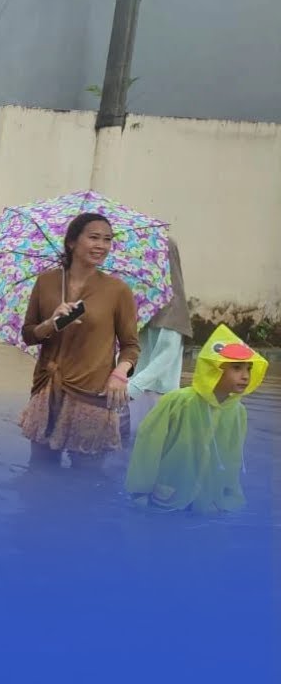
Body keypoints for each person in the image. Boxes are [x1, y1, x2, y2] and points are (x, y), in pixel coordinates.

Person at [19, 212, 140, 465]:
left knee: (87, 477)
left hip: (91, 393)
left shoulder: (117, 290)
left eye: (107, 240)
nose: (101, 246)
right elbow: (29, 335)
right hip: (48, 388)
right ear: (72, 242)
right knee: (40, 472)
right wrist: (49, 324)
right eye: (94, 237)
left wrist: (120, 374)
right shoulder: (47, 282)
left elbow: (130, 346)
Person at [124, 324, 268, 513]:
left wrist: (229, 493)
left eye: (249, 369)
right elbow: (149, 443)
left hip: (208, 499)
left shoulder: (237, 411)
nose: (245, 376)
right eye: (237, 368)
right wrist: (140, 491)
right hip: (167, 494)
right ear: (213, 369)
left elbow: (232, 456)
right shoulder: (178, 401)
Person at [125, 238, 193, 436]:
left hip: (159, 393)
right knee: (136, 445)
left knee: (155, 445)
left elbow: (167, 355)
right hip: (135, 390)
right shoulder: (142, 304)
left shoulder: (174, 307)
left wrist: (134, 386)